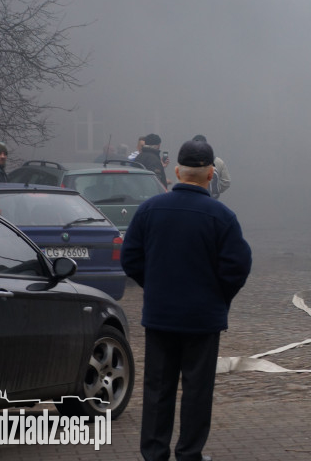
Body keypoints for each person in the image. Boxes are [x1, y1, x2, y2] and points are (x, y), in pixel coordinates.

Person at [121, 138, 252, 461]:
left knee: (157, 389)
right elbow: (237, 265)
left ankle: (154, 453)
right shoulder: (221, 216)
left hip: (161, 316)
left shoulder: (149, 210)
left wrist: (154, 287)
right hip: (202, 320)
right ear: (210, 175)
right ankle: (189, 454)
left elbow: (130, 258)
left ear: (177, 171)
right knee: (197, 390)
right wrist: (218, 297)